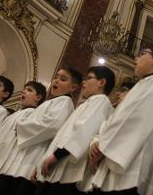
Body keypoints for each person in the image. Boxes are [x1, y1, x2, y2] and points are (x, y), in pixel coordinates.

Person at [86, 42, 153, 195]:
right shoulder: (145, 84)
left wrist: (102, 145)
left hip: (130, 170)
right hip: (116, 162)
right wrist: (98, 140)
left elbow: (131, 121)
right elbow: (116, 118)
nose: (136, 58)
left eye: (142, 54)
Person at [0, 67, 80, 194]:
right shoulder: (52, 102)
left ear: (73, 87)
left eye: (63, 79)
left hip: (28, 162)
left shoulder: (65, 101)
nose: (56, 81)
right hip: (16, 161)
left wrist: (21, 127)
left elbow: (52, 125)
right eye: (56, 77)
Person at [36, 66, 116, 195]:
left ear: (101, 82)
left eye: (89, 78)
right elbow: (61, 136)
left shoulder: (101, 101)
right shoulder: (87, 103)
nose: (84, 82)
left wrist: (56, 156)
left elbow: (83, 132)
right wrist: (42, 163)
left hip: (67, 166)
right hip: (58, 162)